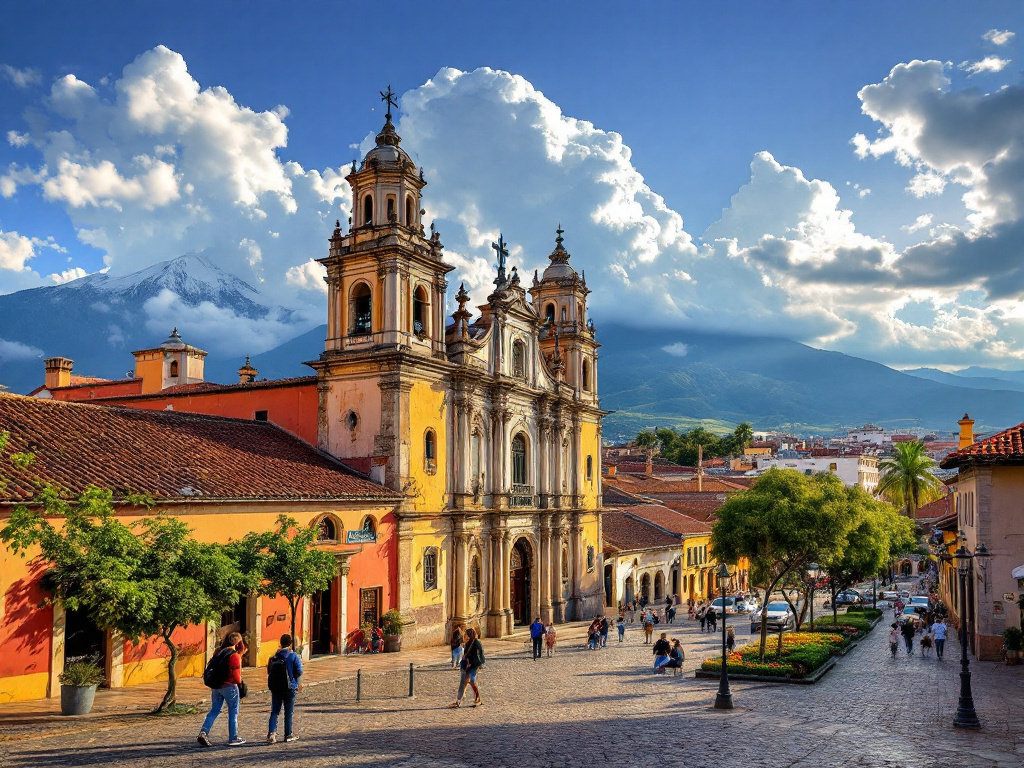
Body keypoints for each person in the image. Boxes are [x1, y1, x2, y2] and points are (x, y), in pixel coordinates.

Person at [198, 632, 246, 747]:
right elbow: (236, 675)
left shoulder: (218, 652)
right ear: (238, 643)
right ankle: (233, 738)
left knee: (214, 710)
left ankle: (203, 733)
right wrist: (241, 686)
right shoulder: (234, 656)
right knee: (233, 712)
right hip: (230, 686)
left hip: (217, 686)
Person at [266, 633, 303, 744]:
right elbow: (299, 671)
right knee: (288, 712)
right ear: (290, 644)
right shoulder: (293, 656)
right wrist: (297, 683)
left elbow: (269, 671)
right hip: (289, 687)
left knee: (275, 711)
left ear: (280, 643)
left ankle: (271, 734)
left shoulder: (273, 657)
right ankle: (288, 735)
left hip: (276, 687)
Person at [450, 627, 484, 708]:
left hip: (473, 666)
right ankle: (458, 701)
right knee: (463, 683)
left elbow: (479, 657)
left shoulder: (476, 644)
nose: (465, 636)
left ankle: (478, 698)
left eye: (467, 635)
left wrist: (471, 663)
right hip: (465, 665)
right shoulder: (467, 644)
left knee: (472, 681)